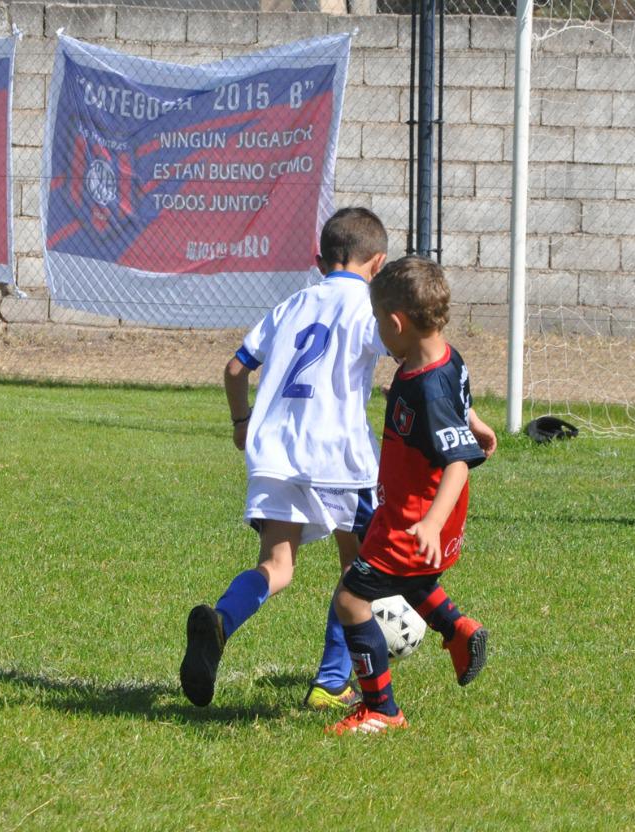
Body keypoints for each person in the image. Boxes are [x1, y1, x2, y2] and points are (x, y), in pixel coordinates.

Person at [180, 207, 390, 711]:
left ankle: (222, 621)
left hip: (275, 453)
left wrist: (239, 423)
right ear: (378, 264)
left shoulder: (290, 305)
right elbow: (407, 353)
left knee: (277, 566)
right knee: (357, 572)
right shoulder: (370, 308)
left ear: (319, 261)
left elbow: (235, 369)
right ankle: (331, 683)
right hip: (341, 460)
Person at [324, 255, 497, 736]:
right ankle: (459, 630)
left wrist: (429, 523)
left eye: (379, 322)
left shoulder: (428, 389)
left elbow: (456, 463)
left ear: (397, 322)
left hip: (417, 514)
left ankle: (381, 708)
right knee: (411, 579)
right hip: (410, 508)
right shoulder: (443, 356)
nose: (379, 332)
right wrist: (475, 422)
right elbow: (460, 401)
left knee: (352, 599)